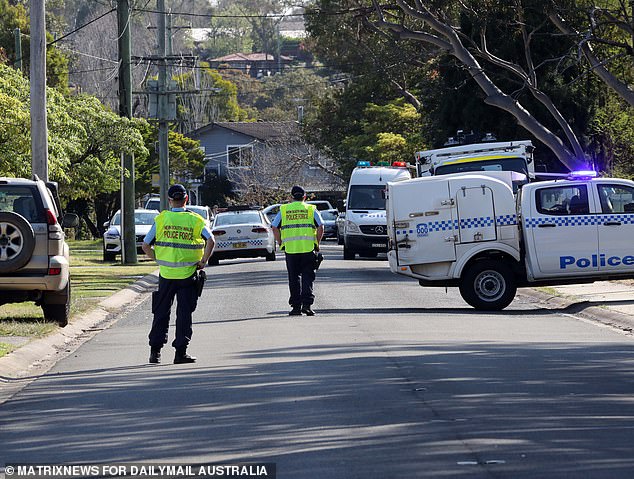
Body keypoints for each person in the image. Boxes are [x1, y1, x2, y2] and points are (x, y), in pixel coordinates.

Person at [142, 184, 215, 364]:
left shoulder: (161, 219)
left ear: (169, 200)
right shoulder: (195, 220)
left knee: (161, 312)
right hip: (188, 275)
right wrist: (203, 261)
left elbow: (145, 245)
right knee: (184, 314)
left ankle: (155, 352)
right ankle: (180, 353)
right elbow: (211, 240)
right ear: (186, 199)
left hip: (166, 275)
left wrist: (158, 259)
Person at [271, 186, 324, 316]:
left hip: (290, 250)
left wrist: (280, 242)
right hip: (308, 249)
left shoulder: (284, 210)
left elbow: (274, 227)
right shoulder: (311, 209)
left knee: (293, 278)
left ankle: (295, 307)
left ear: (291, 197)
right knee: (308, 277)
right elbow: (321, 226)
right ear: (304, 197)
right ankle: (307, 306)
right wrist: (317, 243)